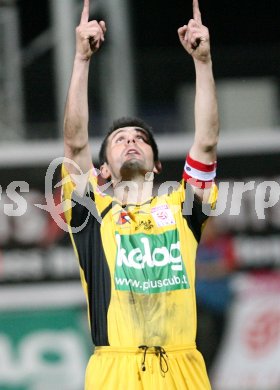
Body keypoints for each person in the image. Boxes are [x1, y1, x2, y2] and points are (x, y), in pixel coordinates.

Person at [61, 0, 219, 388]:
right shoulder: (90, 216)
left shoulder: (181, 208)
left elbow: (207, 142)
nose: (131, 142)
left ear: (156, 164)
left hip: (182, 369)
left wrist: (203, 63)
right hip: (116, 372)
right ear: (102, 171)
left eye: (140, 139)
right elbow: (75, 144)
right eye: (119, 140)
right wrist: (81, 60)